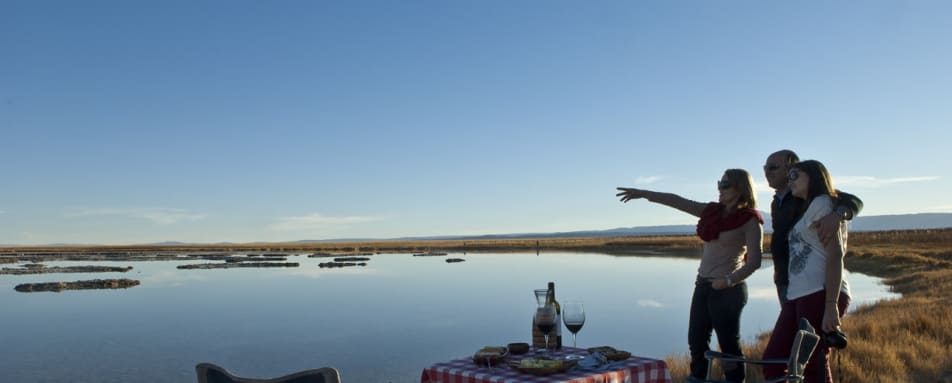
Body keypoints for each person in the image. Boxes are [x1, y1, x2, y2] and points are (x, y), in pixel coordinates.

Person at [616, 169, 763, 383]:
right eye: (719, 183)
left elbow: (755, 261)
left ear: (740, 188)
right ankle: (697, 378)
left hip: (728, 290)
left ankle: (735, 380)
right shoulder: (711, 212)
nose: (720, 188)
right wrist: (644, 193)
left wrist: (728, 280)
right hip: (702, 285)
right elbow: (677, 201)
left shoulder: (750, 220)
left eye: (725, 185)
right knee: (696, 340)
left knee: (729, 344)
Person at [761, 160, 851, 383]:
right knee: (773, 360)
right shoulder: (808, 208)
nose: (789, 180)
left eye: (795, 176)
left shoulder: (822, 204)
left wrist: (831, 305)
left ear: (814, 177)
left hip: (819, 292)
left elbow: (835, 255)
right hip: (798, 294)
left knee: (813, 363)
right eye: (789, 176)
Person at [763, 150, 863, 305]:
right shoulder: (776, 202)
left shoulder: (808, 196)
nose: (767, 172)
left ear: (790, 168)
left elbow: (854, 201)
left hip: (812, 283)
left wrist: (837, 215)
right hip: (786, 278)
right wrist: (778, 269)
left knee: (813, 320)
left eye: (773, 167)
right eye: (765, 168)